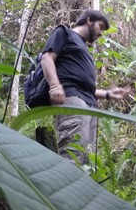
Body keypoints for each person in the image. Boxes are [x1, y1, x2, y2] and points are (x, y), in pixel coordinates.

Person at [39, 9, 127, 162]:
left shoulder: (84, 49)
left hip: (89, 104)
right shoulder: (64, 33)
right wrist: (54, 86)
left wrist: (107, 94)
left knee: (87, 158)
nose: (101, 33)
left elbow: (85, 86)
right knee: (73, 153)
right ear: (89, 20)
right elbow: (47, 58)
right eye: (100, 26)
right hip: (72, 99)